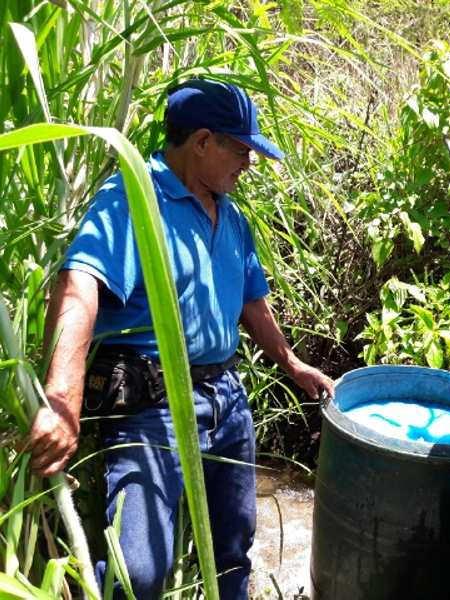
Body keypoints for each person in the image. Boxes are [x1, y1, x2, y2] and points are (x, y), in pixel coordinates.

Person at [25, 78, 335, 599]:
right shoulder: (135, 195)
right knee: (139, 572)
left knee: (232, 552)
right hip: (155, 403)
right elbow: (80, 282)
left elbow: (251, 304)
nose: (248, 164)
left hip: (227, 402)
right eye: (242, 150)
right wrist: (62, 404)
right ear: (203, 142)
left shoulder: (231, 216)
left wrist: (293, 363)